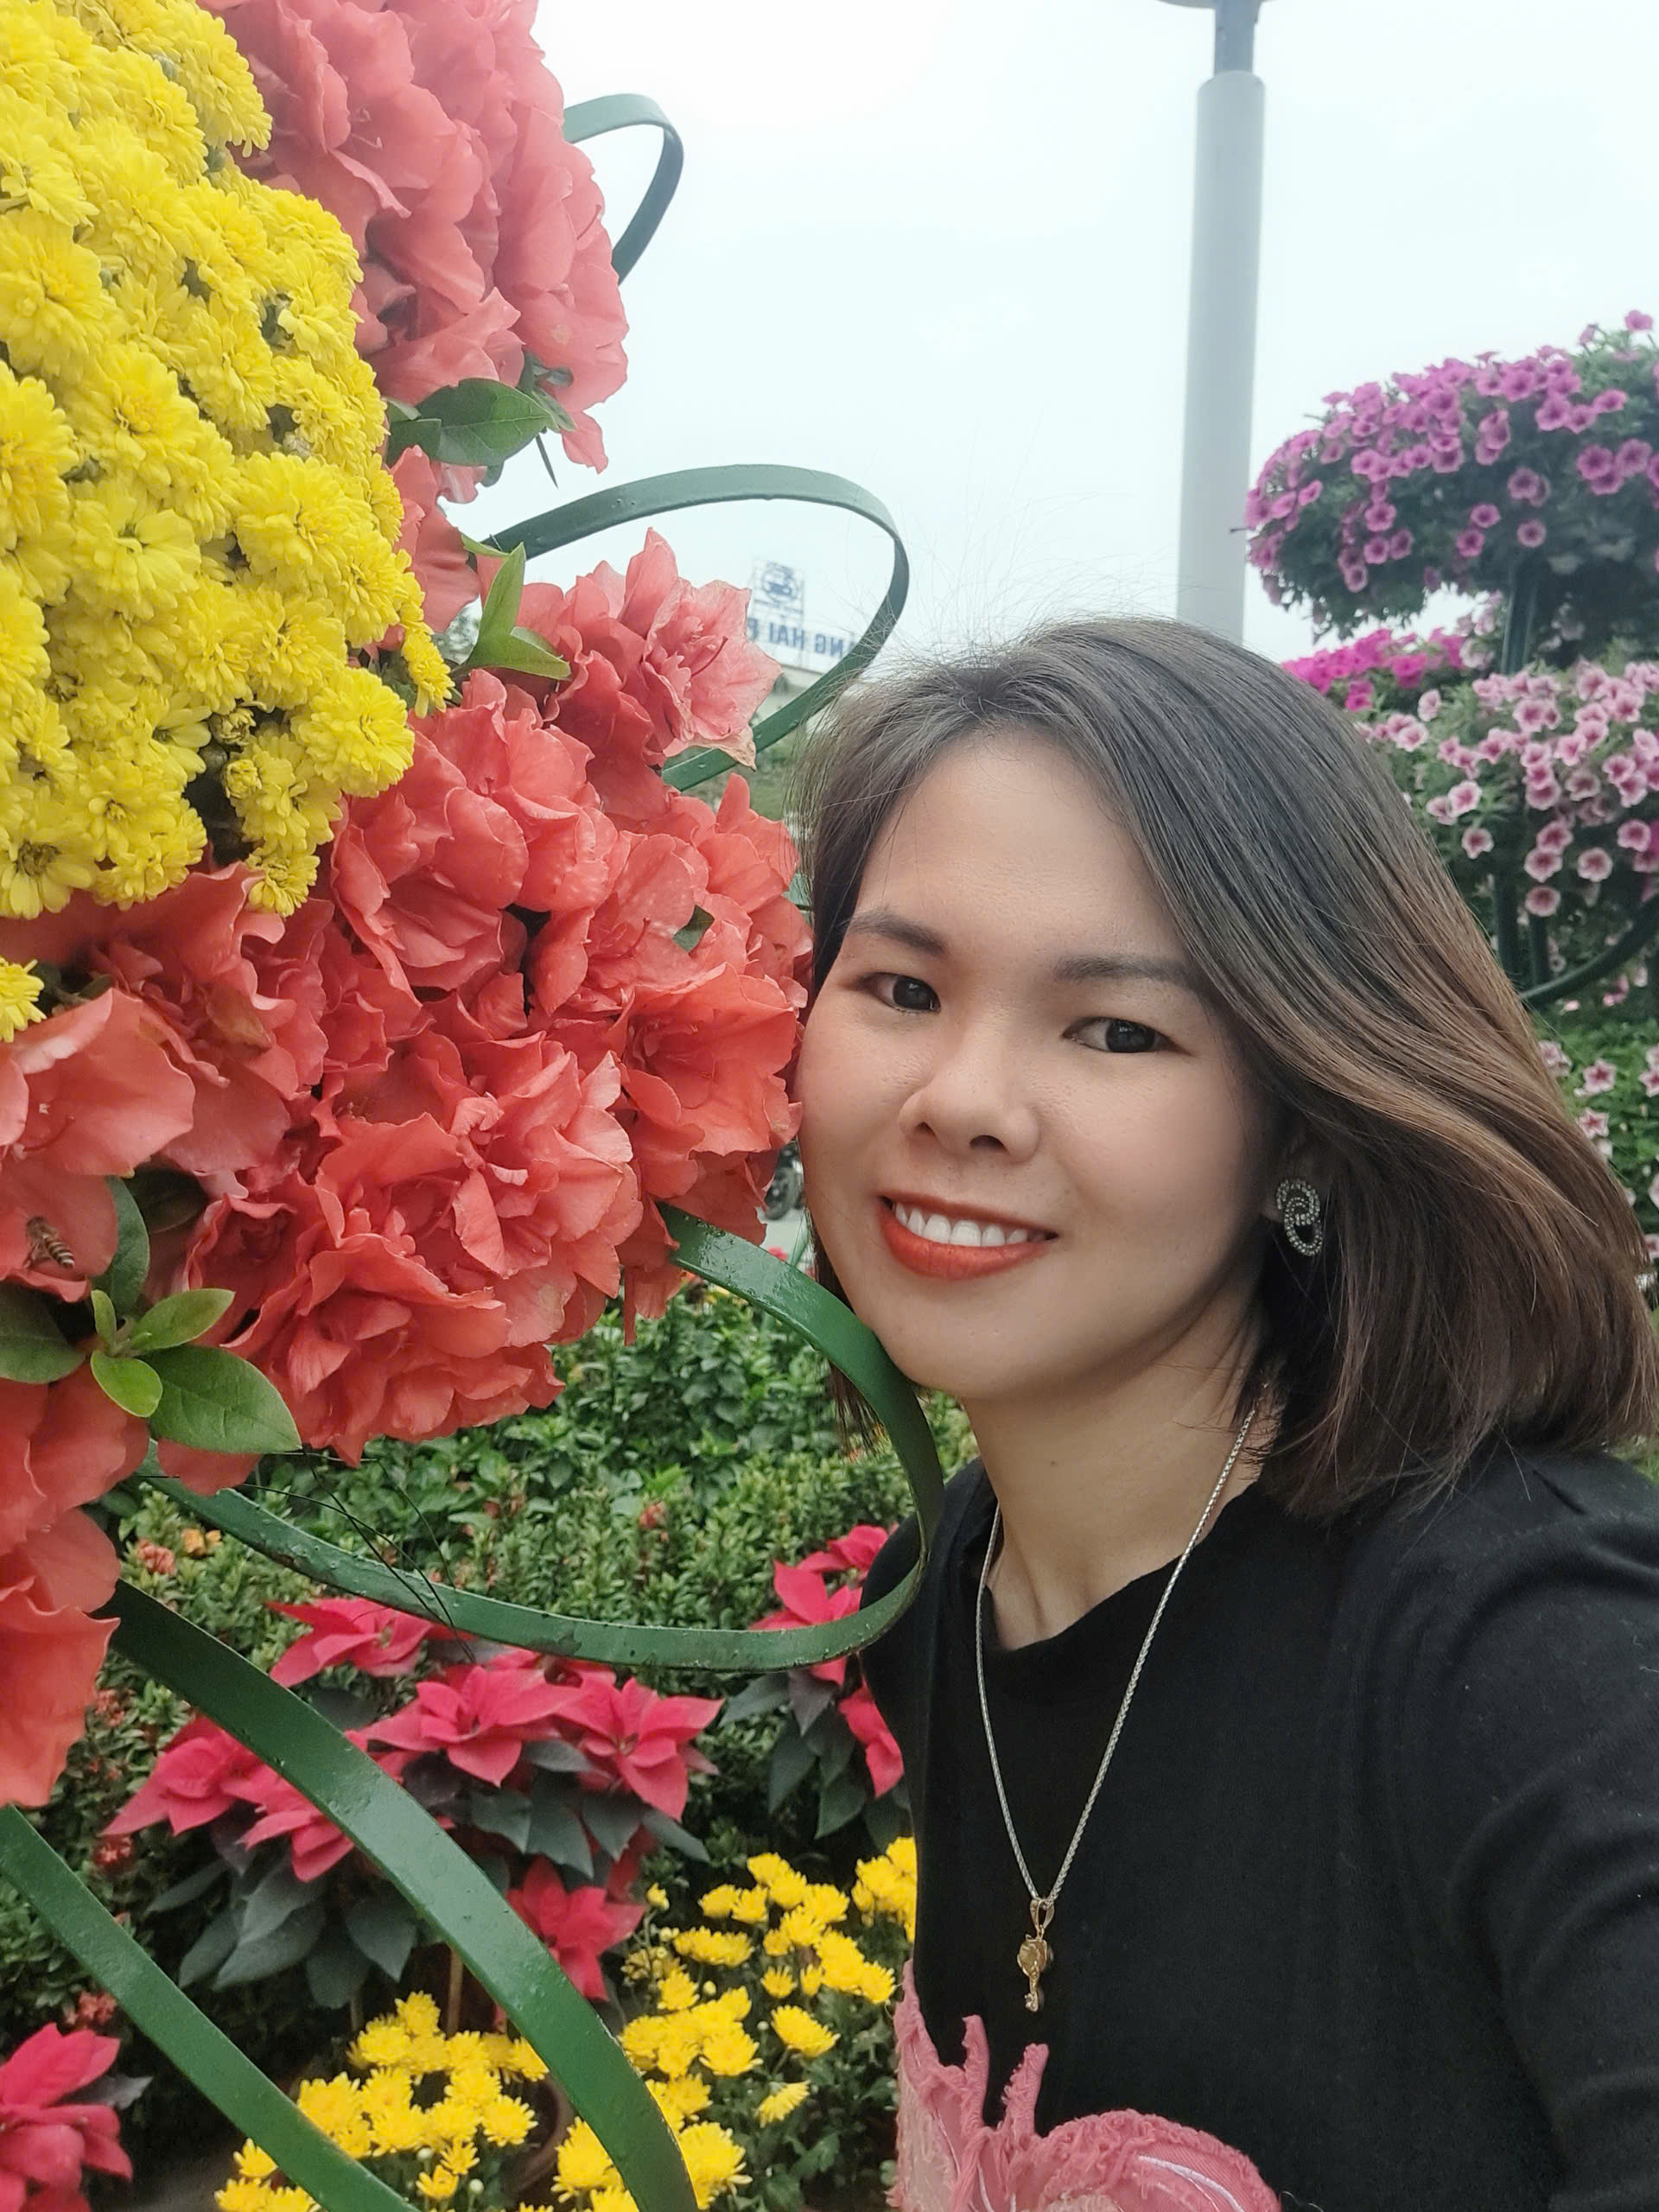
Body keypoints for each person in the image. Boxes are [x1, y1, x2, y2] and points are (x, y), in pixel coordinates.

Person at [789, 618, 1659, 2212]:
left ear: (1303, 1123)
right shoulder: (945, 1596)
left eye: (1117, 1029)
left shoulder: (1541, 1656)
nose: (962, 1100)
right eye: (902, 987)